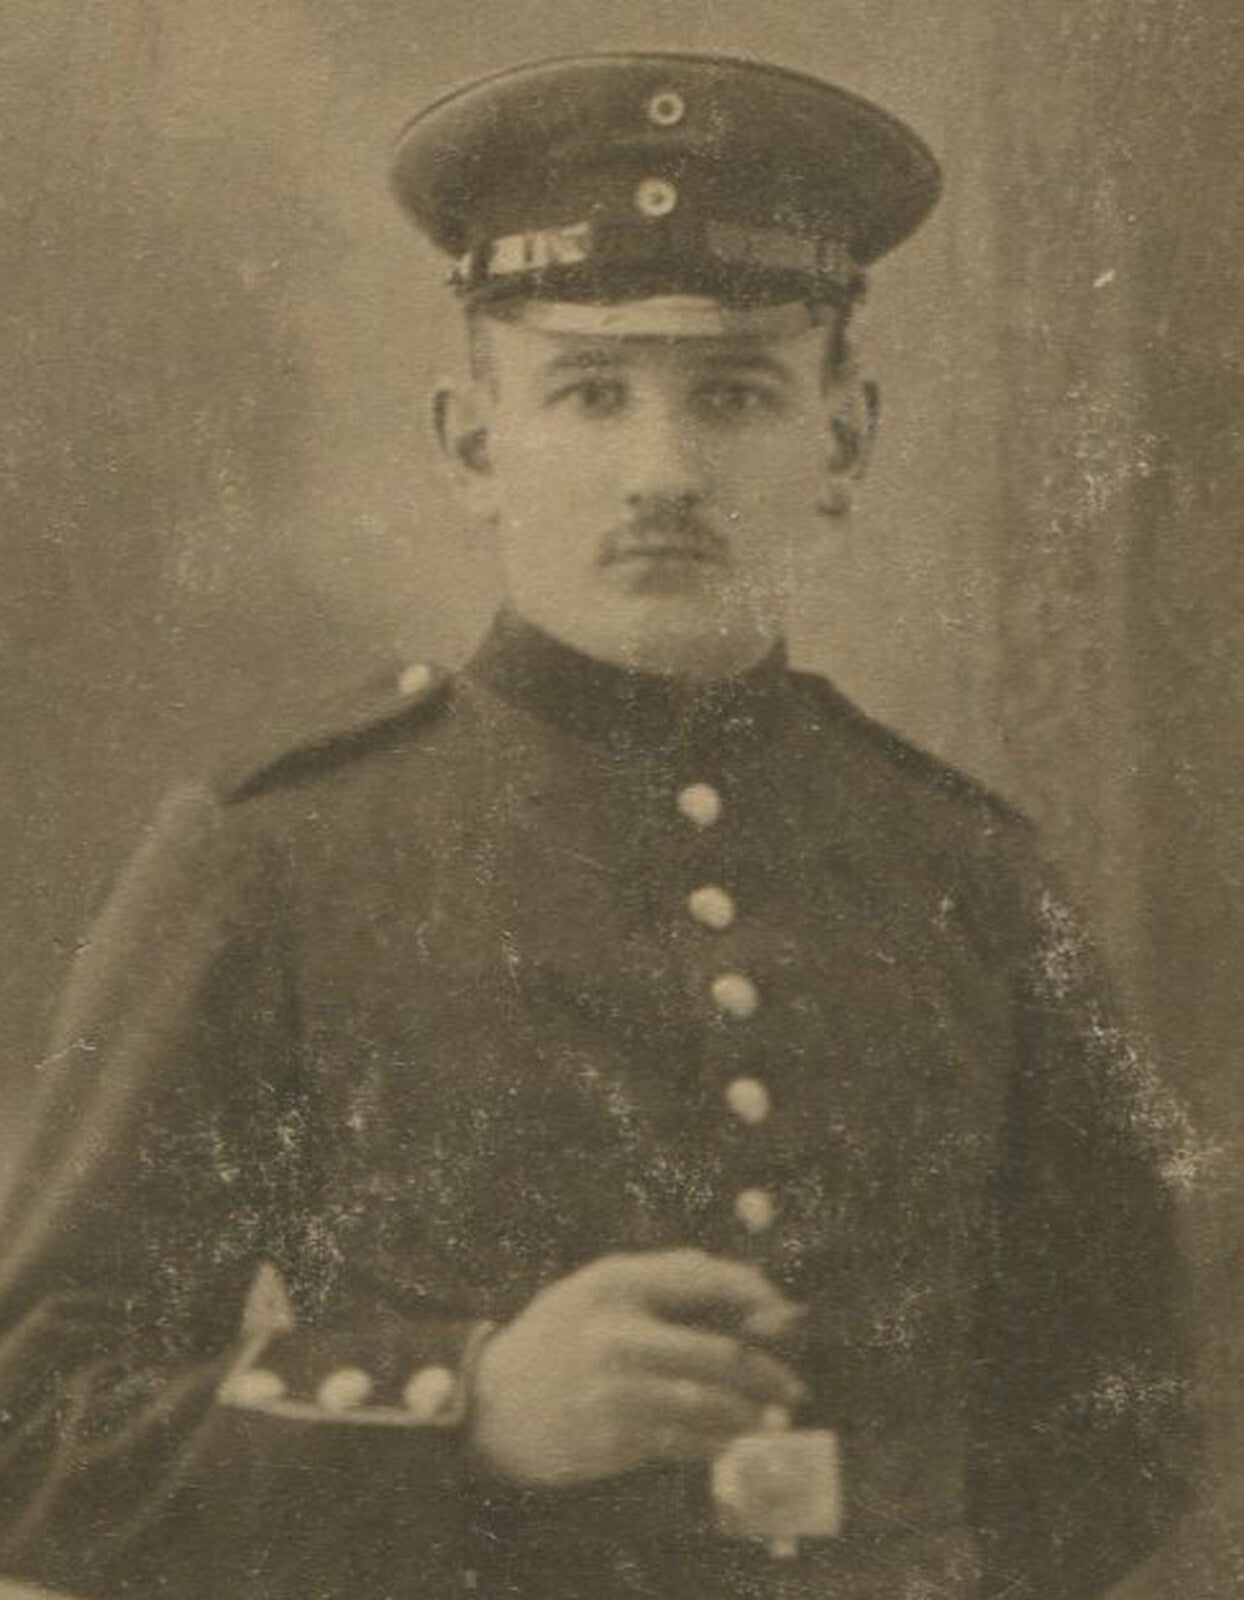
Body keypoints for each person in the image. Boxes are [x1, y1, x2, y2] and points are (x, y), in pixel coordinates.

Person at [0, 51, 1197, 1600]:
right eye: (589, 392)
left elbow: (1126, 1425)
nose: (664, 473)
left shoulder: (970, 868)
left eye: (736, 395)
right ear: (473, 445)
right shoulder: (281, 857)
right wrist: (468, 1407)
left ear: (844, 440)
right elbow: (35, 1430)